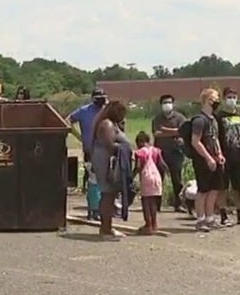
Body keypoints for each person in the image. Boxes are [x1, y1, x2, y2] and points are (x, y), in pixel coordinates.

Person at [214, 87, 240, 226]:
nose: (232, 100)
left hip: (239, 156)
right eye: (229, 97)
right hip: (224, 156)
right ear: (224, 98)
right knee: (223, 187)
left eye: (234, 97)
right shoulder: (218, 117)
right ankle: (223, 215)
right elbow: (215, 138)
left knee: (239, 187)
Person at [91, 100, 131, 240]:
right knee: (107, 194)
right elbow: (110, 144)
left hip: (113, 162)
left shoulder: (114, 124)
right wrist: (125, 148)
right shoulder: (106, 124)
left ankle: (109, 226)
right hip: (107, 163)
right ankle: (105, 229)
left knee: (112, 194)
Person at [189, 88, 225, 231]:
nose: (217, 101)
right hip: (203, 159)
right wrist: (208, 158)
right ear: (207, 100)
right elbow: (195, 141)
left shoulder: (214, 119)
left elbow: (215, 139)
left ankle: (210, 218)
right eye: (215, 98)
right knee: (203, 190)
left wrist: (220, 154)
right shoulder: (199, 120)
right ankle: (200, 219)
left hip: (215, 158)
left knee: (214, 189)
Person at [151, 94, 187, 213]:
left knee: (177, 180)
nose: (167, 105)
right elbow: (156, 134)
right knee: (158, 179)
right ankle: (157, 204)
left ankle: (179, 204)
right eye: (165, 102)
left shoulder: (180, 118)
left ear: (173, 104)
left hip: (176, 152)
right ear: (161, 105)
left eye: (169, 102)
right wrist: (175, 132)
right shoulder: (157, 119)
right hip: (160, 153)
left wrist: (165, 131)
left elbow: (184, 132)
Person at [133, 131, 167, 235]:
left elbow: (138, 167)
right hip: (156, 177)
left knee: (146, 202)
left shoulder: (140, 152)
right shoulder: (156, 151)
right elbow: (162, 165)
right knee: (153, 201)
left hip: (146, 178)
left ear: (139, 142)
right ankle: (154, 224)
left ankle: (148, 225)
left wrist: (132, 176)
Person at [68, 89, 108, 165]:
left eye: (103, 98)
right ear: (93, 99)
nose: (101, 101)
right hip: (89, 149)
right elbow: (68, 121)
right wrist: (78, 136)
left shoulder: (107, 110)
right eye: (99, 98)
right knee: (89, 173)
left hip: (105, 150)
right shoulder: (84, 111)